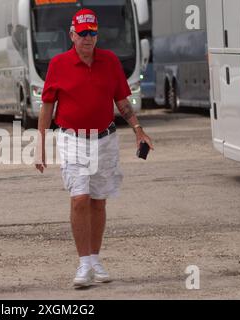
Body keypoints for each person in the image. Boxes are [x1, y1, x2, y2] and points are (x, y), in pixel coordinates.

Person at [35, 9, 154, 288]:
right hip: (73, 139)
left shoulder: (110, 61)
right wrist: (40, 145)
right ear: (72, 35)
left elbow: (122, 101)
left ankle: (95, 257)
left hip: (105, 139)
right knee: (80, 198)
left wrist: (138, 130)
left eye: (92, 33)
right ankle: (84, 263)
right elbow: (47, 107)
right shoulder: (58, 64)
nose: (88, 39)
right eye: (83, 33)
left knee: (98, 201)